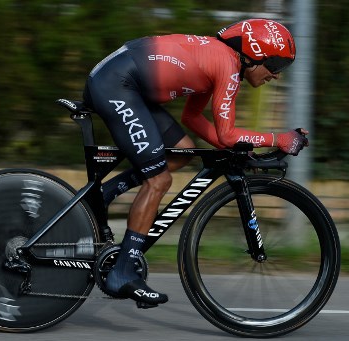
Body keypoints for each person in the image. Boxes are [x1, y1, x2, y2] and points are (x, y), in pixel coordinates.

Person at [82, 19, 308, 307]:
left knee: (181, 153)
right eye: (275, 66)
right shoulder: (226, 66)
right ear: (254, 55)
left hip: (124, 83)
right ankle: (123, 271)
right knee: (159, 179)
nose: (276, 76)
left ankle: (103, 195)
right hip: (117, 85)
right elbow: (226, 135)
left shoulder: (218, 58)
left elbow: (193, 119)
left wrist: (243, 148)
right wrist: (279, 139)